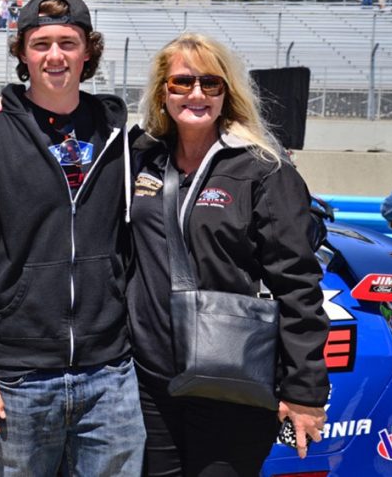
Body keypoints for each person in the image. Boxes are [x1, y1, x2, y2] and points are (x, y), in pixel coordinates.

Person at [0, 0, 144, 476]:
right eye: (41, 43)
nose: (55, 56)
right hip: (17, 380)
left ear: (88, 51)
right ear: (22, 53)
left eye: (67, 43)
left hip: (108, 373)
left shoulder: (119, 140)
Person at [128, 32, 328, 475]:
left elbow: (298, 284)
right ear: (163, 92)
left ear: (226, 93)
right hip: (150, 379)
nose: (195, 93)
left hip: (232, 377)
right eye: (182, 82)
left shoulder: (263, 169)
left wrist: (305, 390)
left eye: (210, 83)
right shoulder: (141, 157)